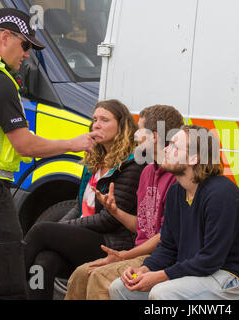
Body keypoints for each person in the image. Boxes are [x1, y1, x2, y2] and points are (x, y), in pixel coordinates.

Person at [0, 8, 102, 300]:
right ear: (5, 37)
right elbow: (25, 145)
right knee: (7, 281)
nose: (27, 55)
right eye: (26, 45)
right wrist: (73, 143)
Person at [109, 125, 239, 300]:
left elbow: (211, 259)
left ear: (194, 158)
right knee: (120, 288)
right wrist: (145, 269)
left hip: (229, 279)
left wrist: (160, 276)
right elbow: (168, 247)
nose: (165, 149)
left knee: (162, 293)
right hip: (195, 274)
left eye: (174, 146)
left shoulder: (221, 193)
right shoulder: (176, 191)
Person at [23, 99, 144, 300]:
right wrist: (64, 227)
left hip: (111, 241)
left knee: (41, 230)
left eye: (105, 120)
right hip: (85, 235)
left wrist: (67, 228)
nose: (96, 124)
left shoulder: (131, 165)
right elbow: (80, 205)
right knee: (44, 262)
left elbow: (110, 219)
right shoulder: (95, 161)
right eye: (95, 119)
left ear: (121, 126)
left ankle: (7, 287)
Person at [65, 104, 184, 300]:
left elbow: (165, 236)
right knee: (80, 273)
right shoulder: (147, 172)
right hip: (139, 253)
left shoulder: (175, 178)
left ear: (154, 136)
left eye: (140, 130)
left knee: (98, 277)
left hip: (157, 256)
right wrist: (115, 211)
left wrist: (124, 256)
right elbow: (142, 227)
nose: (135, 136)